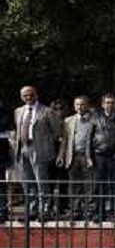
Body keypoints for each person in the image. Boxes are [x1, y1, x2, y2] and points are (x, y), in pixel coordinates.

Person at [14, 85, 62, 219]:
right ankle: (31, 211)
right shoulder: (18, 111)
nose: (28, 97)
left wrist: (45, 143)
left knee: (42, 182)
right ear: (21, 97)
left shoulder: (47, 111)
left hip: (40, 150)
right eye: (25, 95)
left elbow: (57, 132)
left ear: (36, 95)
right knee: (27, 183)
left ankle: (44, 211)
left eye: (31, 94)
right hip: (23, 149)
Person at [89, 93, 115, 221]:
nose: (110, 105)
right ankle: (99, 212)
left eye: (112, 102)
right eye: (107, 102)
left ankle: (114, 212)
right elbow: (89, 139)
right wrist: (89, 156)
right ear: (102, 104)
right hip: (99, 156)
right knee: (99, 185)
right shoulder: (95, 118)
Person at [56, 96, 94, 219]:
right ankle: (75, 210)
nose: (79, 107)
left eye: (82, 104)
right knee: (74, 185)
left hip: (87, 156)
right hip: (72, 156)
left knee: (89, 185)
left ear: (88, 105)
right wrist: (61, 156)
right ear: (74, 106)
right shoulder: (68, 120)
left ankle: (88, 210)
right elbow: (64, 141)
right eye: (77, 104)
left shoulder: (94, 120)